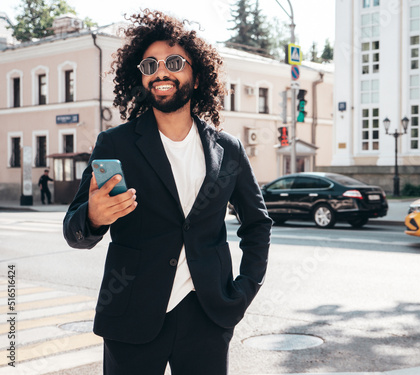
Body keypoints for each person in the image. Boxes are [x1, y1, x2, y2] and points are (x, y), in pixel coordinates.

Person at [63, 10, 272, 375]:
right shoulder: (116, 144)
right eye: (150, 65)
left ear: (195, 72)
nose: (161, 72)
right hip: (132, 314)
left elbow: (258, 224)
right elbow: (74, 230)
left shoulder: (228, 149)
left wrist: (244, 291)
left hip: (207, 315)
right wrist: (93, 217)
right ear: (140, 77)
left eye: (174, 62)